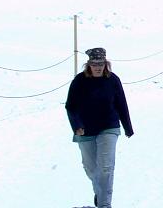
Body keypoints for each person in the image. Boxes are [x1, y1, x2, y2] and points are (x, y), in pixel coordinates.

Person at [66, 47, 133, 208]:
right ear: (88, 64)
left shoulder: (113, 80)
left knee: (106, 167)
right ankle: (100, 192)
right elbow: (71, 106)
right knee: (90, 168)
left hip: (109, 126)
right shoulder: (79, 81)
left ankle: (104, 204)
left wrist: (127, 127)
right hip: (85, 129)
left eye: (101, 63)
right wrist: (77, 125)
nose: (98, 67)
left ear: (106, 64)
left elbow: (121, 104)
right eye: (94, 63)